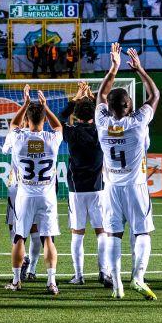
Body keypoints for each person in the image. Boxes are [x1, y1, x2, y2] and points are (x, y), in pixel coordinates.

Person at [95, 43, 160, 300]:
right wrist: (140, 69)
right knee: (142, 231)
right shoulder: (137, 123)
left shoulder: (102, 122)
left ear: (110, 107)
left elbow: (100, 95)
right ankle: (137, 277)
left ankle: (116, 285)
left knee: (113, 234)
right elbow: (155, 96)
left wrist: (114, 68)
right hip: (135, 186)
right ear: (128, 103)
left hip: (110, 188)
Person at [3, 89, 63, 295]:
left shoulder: (19, 138)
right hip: (47, 195)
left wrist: (25, 104)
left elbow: (12, 125)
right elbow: (59, 126)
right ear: (44, 119)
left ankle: (16, 280)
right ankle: (51, 282)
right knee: (48, 238)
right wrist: (45, 106)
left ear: (26, 119)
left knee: (19, 236)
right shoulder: (52, 139)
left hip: (25, 194)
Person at [59, 81, 110, 287]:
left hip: (77, 190)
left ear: (76, 115)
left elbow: (60, 118)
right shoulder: (101, 130)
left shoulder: (71, 132)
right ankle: (104, 272)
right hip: (99, 188)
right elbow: (104, 115)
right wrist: (95, 99)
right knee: (101, 231)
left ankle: (79, 275)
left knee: (77, 233)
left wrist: (76, 99)